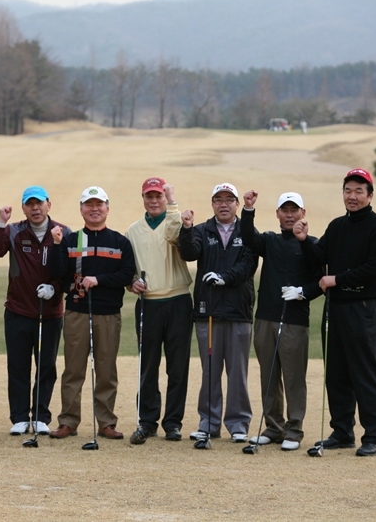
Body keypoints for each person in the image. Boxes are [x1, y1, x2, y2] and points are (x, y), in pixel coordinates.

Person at [293, 168, 376, 457]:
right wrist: (304, 240)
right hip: (335, 308)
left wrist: (336, 279)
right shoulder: (338, 226)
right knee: (336, 372)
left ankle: (373, 437)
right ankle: (342, 432)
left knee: (365, 373)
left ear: (370, 196)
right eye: (348, 190)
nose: (352, 196)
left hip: (363, 308)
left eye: (359, 191)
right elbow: (320, 257)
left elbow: (375, 270)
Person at [47, 186, 136, 440]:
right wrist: (56, 245)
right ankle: (68, 421)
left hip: (108, 314)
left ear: (107, 208)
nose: (94, 209)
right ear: (81, 210)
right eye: (89, 204)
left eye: (99, 204)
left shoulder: (120, 242)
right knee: (73, 370)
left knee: (106, 371)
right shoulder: (70, 240)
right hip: (77, 312)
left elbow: (126, 275)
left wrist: (99, 280)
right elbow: (57, 272)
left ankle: (106, 423)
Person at [240, 190, 323, 451]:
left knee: (294, 377)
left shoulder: (312, 244)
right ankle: (273, 427)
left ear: (303, 213)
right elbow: (248, 237)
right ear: (277, 214)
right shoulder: (270, 241)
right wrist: (248, 209)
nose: (289, 215)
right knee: (269, 375)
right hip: (266, 317)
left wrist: (302, 292)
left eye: (294, 210)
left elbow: (320, 281)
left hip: (295, 321)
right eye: (284, 210)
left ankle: (294, 430)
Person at [0, 186, 71, 436]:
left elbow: (68, 271)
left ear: (48, 205)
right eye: (30, 204)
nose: (35, 208)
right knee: (18, 367)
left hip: (50, 313)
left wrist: (55, 289)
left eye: (39, 203)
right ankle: (20, 417)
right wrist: (1, 222)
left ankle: (41, 416)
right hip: (18, 310)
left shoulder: (63, 232)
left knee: (46, 367)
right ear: (23, 208)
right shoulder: (14, 230)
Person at [178, 182, 258, 443]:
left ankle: (238, 424)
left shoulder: (247, 231)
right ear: (212, 204)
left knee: (237, 373)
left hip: (238, 311)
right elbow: (189, 253)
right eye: (218, 200)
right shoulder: (202, 230)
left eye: (229, 199)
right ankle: (209, 423)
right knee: (210, 371)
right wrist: (186, 229)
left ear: (237, 204)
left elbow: (248, 265)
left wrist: (225, 277)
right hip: (208, 312)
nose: (224, 204)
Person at [125, 177, 193, 444]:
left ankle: (173, 422)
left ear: (166, 199)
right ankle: (147, 421)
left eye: (159, 196)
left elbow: (176, 237)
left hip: (178, 301)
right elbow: (128, 269)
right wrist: (132, 282)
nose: (154, 201)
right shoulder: (133, 231)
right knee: (148, 365)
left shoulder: (177, 221)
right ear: (143, 198)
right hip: (148, 303)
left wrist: (174, 204)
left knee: (177, 367)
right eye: (149, 196)